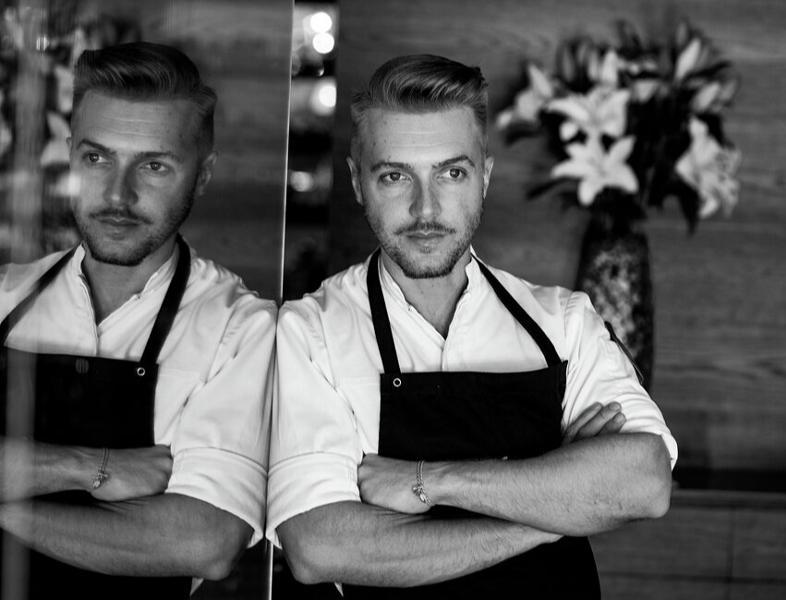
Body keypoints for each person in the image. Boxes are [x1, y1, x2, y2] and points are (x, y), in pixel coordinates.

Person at [269, 54, 678, 598]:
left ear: (484, 177)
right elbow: (319, 547)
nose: (426, 209)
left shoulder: (564, 323)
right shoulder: (311, 333)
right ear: (357, 182)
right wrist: (558, 508)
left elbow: (645, 482)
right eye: (395, 176)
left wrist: (430, 481)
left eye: (451, 173)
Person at [0, 42, 275, 598]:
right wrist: (92, 468)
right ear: (70, 157)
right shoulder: (4, 293)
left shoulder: (240, 329)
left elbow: (204, 541)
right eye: (97, 158)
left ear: (202, 175)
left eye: (153, 166)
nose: (117, 195)